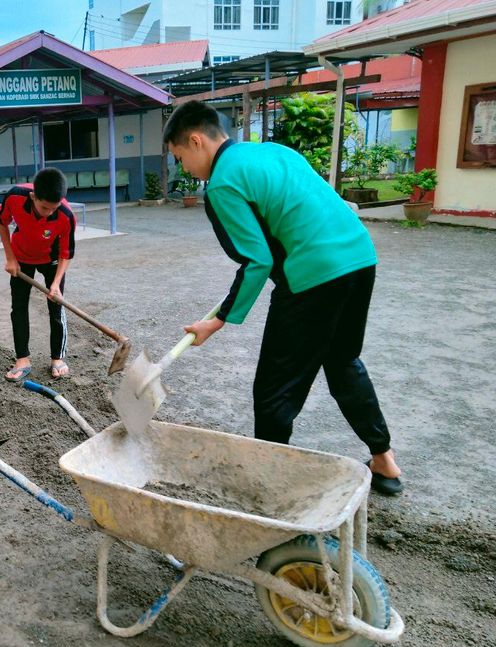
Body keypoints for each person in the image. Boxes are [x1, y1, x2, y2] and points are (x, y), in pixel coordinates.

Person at [162, 100, 404, 496]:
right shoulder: (273, 151)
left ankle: (267, 487)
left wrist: (219, 319)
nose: (183, 168)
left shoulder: (222, 182)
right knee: (342, 361)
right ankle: (385, 460)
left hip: (313, 275)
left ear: (195, 140)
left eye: (180, 157)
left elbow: (257, 260)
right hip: (360, 258)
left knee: (275, 390)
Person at [0, 167, 77, 381]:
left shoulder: (66, 215)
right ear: (33, 197)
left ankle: (57, 358)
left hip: (51, 260)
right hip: (21, 257)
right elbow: (2, 222)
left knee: (56, 307)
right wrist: (10, 258)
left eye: (54, 208)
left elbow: (66, 253)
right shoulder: (14, 197)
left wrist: (56, 284)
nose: (50, 212)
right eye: (44, 207)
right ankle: (22, 359)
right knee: (19, 307)